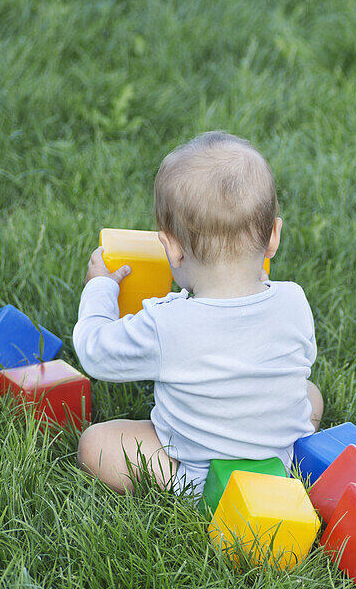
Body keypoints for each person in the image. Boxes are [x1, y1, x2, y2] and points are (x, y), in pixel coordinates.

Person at [73, 131, 322, 496]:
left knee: (95, 444)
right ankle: (289, 460)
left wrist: (100, 288)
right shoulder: (294, 300)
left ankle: (187, 486)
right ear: (273, 236)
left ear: (171, 248)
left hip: (199, 469)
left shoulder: (166, 322)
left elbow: (95, 351)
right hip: (277, 456)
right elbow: (302, 359)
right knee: (309, 392)